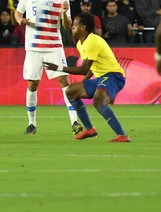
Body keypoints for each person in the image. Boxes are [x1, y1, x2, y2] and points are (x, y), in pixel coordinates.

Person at [44, 13, 131, 142]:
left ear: (83, 27)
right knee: (71, 91)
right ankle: (89, 129)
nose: (72, 27)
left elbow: (84, 68)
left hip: (114, 76)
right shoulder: (81, 43)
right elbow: (91, 67)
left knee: (98, 100)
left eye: (75, 25)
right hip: (101, 78)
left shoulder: (93, 41)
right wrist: (84, 82)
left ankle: (122, 136)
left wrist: (59, 68)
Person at [14, 0, 81, 135]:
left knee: (64, 82)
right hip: (34, 47)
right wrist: (20, 20)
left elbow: (67, 26)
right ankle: (31, 123)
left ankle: (74, 121)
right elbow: (17, 12)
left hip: (53, 46)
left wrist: (65, 14)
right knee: (32, 83)